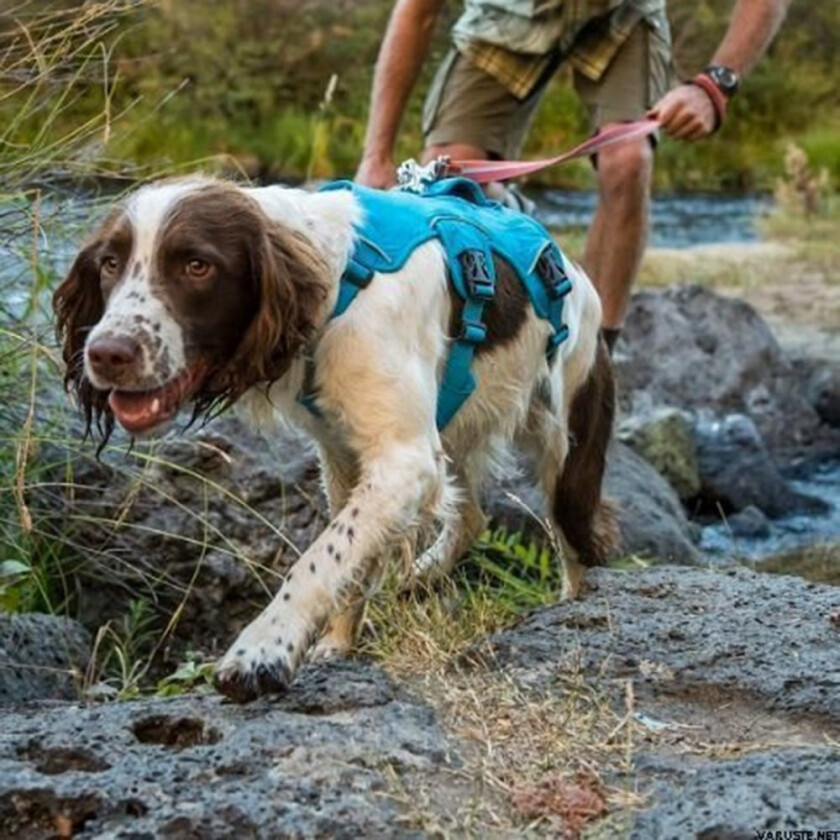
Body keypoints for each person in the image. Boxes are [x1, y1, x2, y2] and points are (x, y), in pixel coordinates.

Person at [355, 0, 791, 350]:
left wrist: (713, 86)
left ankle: (594, 360)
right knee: (451, 191)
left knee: (628, 160)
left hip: (621, 16)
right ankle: (505, 237)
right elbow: (417, 11)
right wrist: (378, 155)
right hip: (504, 19)